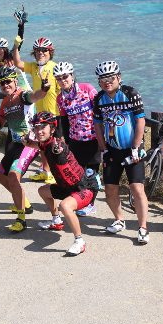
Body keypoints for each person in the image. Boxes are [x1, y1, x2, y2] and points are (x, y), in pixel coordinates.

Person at [92, 61, 150, 244]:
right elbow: (98, 125)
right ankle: (119, 220)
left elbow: (141, 121)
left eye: (110, 78)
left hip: (132, 149)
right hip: (111, 151)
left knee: (137, 188)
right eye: (102, 79)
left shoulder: (130, 93)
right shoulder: (99, 98)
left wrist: (136, 147)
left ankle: (142, 228)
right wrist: (103, 150)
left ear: (118, 77)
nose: (106, 82)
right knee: (110, 188)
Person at [26, 112, 99, 255]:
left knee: (65, 206)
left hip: (83, 189)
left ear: (53, 129)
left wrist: (58, 152)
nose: (39, 131)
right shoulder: (45, 143)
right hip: (66, 188)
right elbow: (33, 144)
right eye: (36, 127)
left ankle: (79, 242)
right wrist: (25, 140)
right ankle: (56, 221)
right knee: (43, 190)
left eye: (43, 127)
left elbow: (58, 150)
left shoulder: (56, 145)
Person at [0, 66, 52, 232]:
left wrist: (44, 89)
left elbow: (36, 96)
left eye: (8, 81)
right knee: (0, 176)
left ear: (15, 80)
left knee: (13, 176)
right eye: (1, 83)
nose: (5, 85)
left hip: (29, 143)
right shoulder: (5, 102)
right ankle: (24, 203)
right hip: (17, 144)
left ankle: (21, 218)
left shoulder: (22, 95)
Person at [13, 32, 61, 183]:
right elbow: (17, 63)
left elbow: (63, 91)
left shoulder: (55, 67)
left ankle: (55, 173)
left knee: (55, 144)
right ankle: (45, 172)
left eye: (44, 50)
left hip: (55, 112)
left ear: (50, 52)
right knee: (42, 144)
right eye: (38, 50)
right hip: (40, 113)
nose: (41, 52)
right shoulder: (33, 66)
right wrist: (15, 46)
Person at [54, 62, 101, 217]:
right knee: (78, 175)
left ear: (72, 75)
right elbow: (64, 121)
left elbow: (100, 113)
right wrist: (66, 142)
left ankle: (91, 203)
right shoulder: (60, 98)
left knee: (92, 174)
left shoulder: (87, 89)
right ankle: (81, 201)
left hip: (93, 139)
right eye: (58, 78)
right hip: (75, 141)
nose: (62, 80)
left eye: (65, 76)